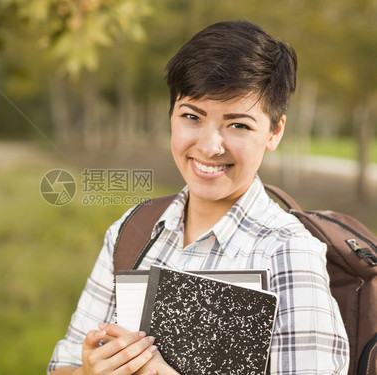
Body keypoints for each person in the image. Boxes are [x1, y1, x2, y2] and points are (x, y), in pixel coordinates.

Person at [47, 20, 349, 375]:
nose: (209, 146)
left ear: (274, 131)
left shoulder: (287, 253)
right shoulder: (132, 232)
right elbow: (61, 367)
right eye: (192, 116)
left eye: (238, 124)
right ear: (172, 114)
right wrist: (88, 372)